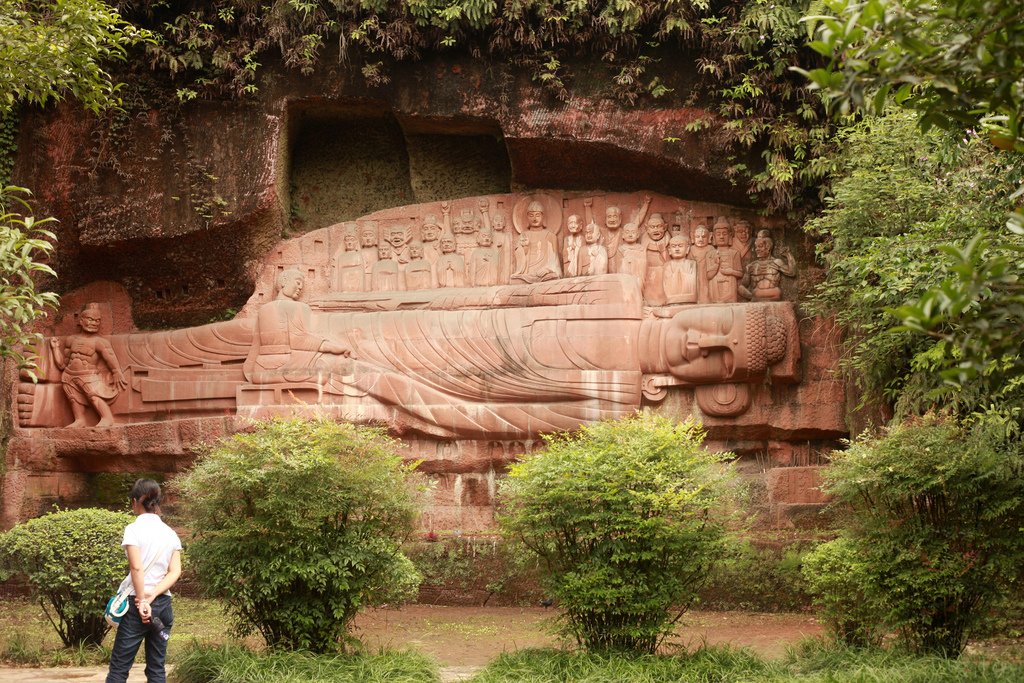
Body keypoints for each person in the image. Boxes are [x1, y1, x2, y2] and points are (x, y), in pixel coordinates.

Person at [106, 479, 182, 683]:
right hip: (163, 605)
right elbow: (175, 571)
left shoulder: (133, 529)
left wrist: (142, 601)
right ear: (158, 502)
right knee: (157, 669)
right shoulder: (171, 533)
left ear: (135, 502)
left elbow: (136, 568)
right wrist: (153, 594)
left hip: (136, 605)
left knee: (119, 670)